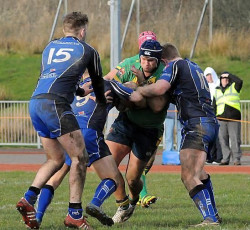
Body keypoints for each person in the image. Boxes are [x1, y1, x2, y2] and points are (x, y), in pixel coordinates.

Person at [16, 12, 106, 230]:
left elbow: (49, 76)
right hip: (56, 106)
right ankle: (74, 214)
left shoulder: (49, 47)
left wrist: (77, 90)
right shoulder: (88, 50)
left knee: (56, 159)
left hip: (36, 102)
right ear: (83, 31)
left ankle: (28, 198)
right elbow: (99, 84)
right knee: (80, 157)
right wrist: (101, 103)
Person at [129, 42, 222, 227]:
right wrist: (144, 81)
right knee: (199, 173)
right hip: (209, 122)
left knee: (188, 175)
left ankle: (210, 219)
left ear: (163, 61)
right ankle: (214, 215)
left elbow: (160, 89)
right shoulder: (193, 67)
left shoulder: (175, 65)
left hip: (196, 124)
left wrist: (138, 89)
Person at [35, 75, 124, 228]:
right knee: (113, 179)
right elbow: (132, 92)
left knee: (55, 178)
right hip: (89, 132)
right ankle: (95, 204)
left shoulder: (74, 87)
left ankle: (37, 217)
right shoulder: (108, 84)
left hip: (68, 132)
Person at [105, 40, 169, 224]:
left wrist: (141, 82)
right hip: (126, 122)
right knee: (107, 162)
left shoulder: (166, 72)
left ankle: (133, 200)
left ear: (158, 60)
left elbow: (157, 106)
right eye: (143, 59)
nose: (146, 63)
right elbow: (107, 80)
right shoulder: (128, 64)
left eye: (151, 60)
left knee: (133, 179)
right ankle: (122, 204)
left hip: (149, 129)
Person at [213, 72, 243, 165]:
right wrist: (214, 117)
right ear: (220, 80)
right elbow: (214, 105)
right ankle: (225, 158)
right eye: (222, 78)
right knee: (222, 140)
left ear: (229, 80)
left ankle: (236, 159)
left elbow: (239, 81)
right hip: (221, 118)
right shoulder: (217, 91)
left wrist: (229, 75)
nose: (224, 80)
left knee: (235, 139)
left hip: (233, 118)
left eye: (226, 79)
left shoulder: (234, 87)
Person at [204, 67, 222, 164]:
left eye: (210, 75)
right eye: (207, 75)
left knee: (218, 136)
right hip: (207, 113)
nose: (209, 77)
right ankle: (210, 157)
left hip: (216, 112)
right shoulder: (204, 86)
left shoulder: (218, 85)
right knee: (209, 136)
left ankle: (218, 157)